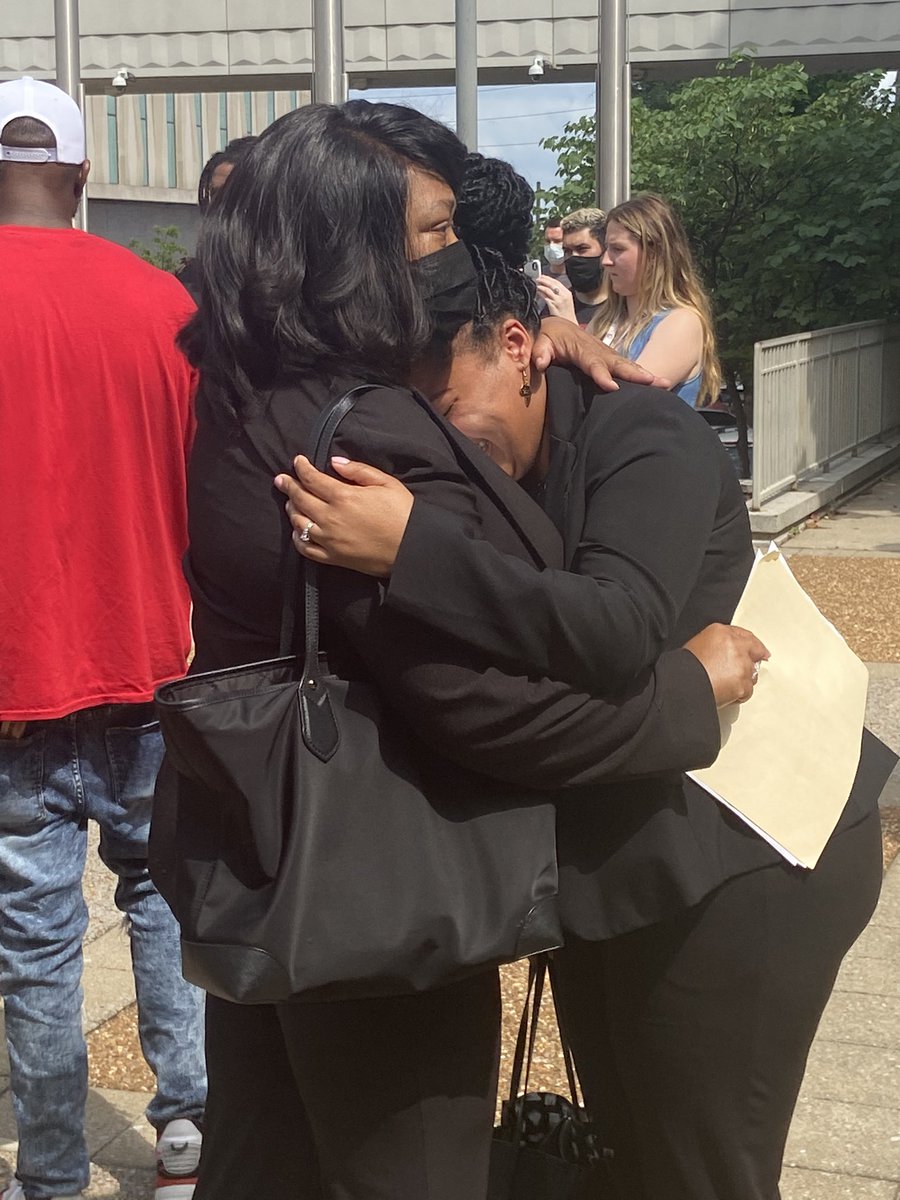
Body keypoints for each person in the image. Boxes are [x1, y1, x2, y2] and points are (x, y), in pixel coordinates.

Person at [152, 100, 764, 1200]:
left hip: (264, 852)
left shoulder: (244, 384)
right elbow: (492, 708)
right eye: (434, 233)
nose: (457, 258)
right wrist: (686, 693)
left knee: (262, 1161)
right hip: (373, 888)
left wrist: (554, 338)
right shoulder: (364, 435)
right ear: (347, 247)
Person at [275, 153, 887, 1200]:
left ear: (518, 347)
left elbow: (618, 623)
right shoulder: (499, 453)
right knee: (635, 1164)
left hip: (751, 851)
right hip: (624, 860)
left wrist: (413, 547)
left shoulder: (646, 434)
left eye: (446, 400)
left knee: (703, 1171)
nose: (439, 442)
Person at [0, 77, 206, 1200]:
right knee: (164, 899)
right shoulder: (165, 307)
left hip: (13, 681)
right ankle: (187, 1135)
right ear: (80, 178)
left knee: (34, 945)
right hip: (149, 661)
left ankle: (51, 1172)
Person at [588, 191, 721, 406]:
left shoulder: (681, 322)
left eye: (618, 249)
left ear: (654, 254)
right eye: (606, 249)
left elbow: (627, 402)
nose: (605, 261)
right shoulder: (605, 320)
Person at [176, 135, 258, 300]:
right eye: (216, 194)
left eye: (235, 194)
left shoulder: (298, 280)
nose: (222, 206)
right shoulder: (190, 283)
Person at [536, 205, 607, 326]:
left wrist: (570, 325)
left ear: (605, 249)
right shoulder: (555, 307)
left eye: (582, 249)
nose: (573, 257)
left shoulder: (625, 309)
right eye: (567, 251)